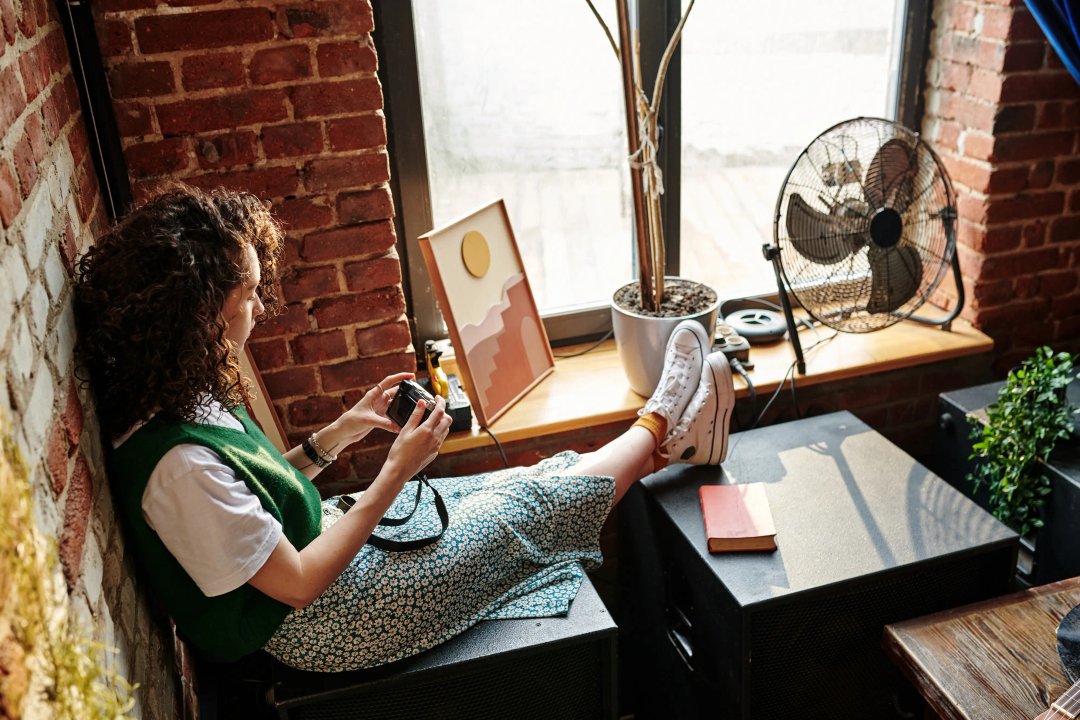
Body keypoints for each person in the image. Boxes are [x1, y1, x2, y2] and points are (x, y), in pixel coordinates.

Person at [73, 185, 735, 672]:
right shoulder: (176, 469)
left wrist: (342, 431)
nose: (259, 306)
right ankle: (661, 418)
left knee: (527, 476)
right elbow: (297, 583)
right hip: (331, 621)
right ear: (196, 314)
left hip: (329, 563)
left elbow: (254, 494)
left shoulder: (177, 395)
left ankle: (672, 442)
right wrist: (394, 473)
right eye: (246, 294)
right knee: (523, 508)